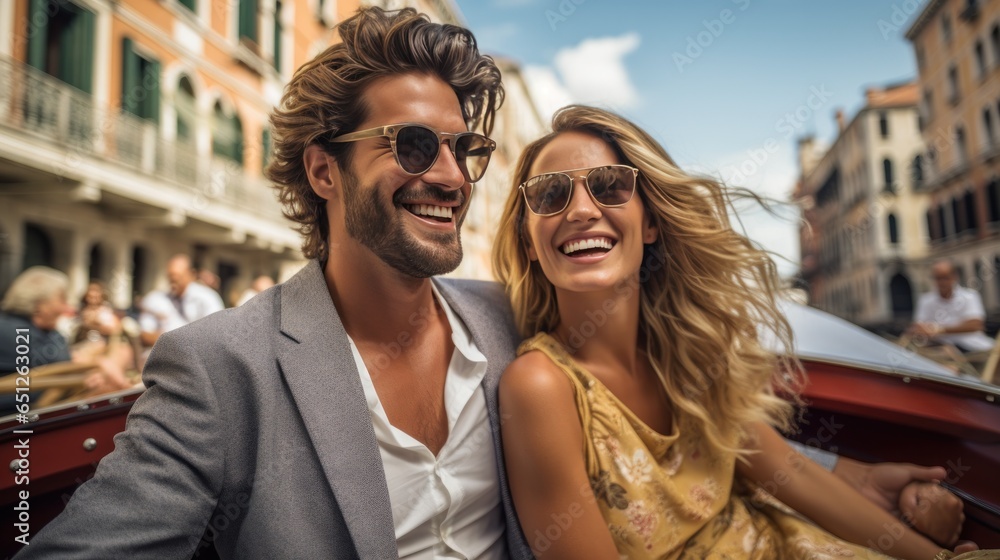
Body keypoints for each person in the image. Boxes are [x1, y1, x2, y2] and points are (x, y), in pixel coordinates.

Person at [14, 8, 527, 559]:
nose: (452, 177)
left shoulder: (511, 317)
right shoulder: (219, 366)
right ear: (324, 171)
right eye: (415, 145)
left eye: (464, 149)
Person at [491, 105, 987, 559]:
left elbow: (793, 476)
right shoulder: (540, 386)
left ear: (651, 224)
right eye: (551, 194)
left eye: (609, 186)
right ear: (530, 242)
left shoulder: (686, 357)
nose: (579, 210)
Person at [0, 268, 130, 411]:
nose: (66, 307)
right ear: (39, 305)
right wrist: (103, 355)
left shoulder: (46, 332)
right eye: (62, 299)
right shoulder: (12, 332)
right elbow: (64, 364)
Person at [137, 254, 224, 349]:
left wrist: (170, 339)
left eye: (178, 277)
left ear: (191, 274)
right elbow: (144, 334)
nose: (174, 281)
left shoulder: (208, 298)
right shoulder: (155, 299)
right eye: (171, 277)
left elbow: (215, 334)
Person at [908, 259, 994, 353]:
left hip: (972, 346)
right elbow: (918, 326)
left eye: (945, 278)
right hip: (940, 347)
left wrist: (938, 330)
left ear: (954, 277)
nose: (942, 282)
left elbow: (975, 325)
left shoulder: (969, 296)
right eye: (938, 278)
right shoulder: (925, 300)